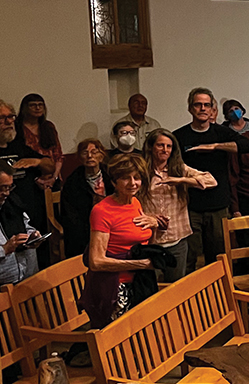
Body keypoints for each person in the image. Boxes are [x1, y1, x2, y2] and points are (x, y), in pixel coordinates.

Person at [173, 87, 249, 272]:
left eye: (206, 105)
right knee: (190, 257)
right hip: (190, 206)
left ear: (212, 109)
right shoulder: (179, 136)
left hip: (218, 205)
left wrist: (215, 147)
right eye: (198, 105)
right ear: (190, 108)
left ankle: (219, 297)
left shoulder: (221, 132)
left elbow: (247, 145)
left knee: (218, 256)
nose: (202, 108)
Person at [82, 154, 161, 328]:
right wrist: (141, 264)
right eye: (126, 177)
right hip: (115, 286)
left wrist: (155, 224)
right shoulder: (102, 210)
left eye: (137, 177)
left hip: (139, 281)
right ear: (114, 182)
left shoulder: (135, 202)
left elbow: (142, 241)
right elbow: (95, 262)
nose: (132, 183)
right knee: (123, 338)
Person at [141, 129, 216, 282]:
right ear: (151, 147)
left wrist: (182, 180)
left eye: (169, 146)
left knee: (175, 286)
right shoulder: (142, 170)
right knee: (150, 287)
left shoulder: (178, 168)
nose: (165, 150)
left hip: (176, 238)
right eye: (160, 145)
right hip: (150, 239)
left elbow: (211, 181)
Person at [0, 100, 53, 248]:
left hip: (29, 214)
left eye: (11, 117)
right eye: (2, 118)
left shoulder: (18, 146)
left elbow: (50, 166)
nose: (9, 122)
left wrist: (37, 162)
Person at [61, 139, 113, 258]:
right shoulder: (72, 182)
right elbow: (70, 216)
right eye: (85, 153)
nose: (90, 156)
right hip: (85, 229)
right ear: (79, 157)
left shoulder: (111, 175)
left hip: (112, 223)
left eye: (94, 152)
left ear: (101, 155)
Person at [0, 164, 42, 285]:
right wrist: (4, 249)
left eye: (9, 187)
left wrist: (32, 236)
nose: (6, 193)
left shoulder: (12, 202)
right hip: (4, 284)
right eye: (2, 188)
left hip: (27, 275)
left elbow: (26, 225)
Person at [19, 94, 63, 190]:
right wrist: (35, 179)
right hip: (29, 178)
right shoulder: (18, 128)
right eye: (33, 105)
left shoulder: (48, 126)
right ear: (25, 108)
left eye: (40, 105)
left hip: (52, 176)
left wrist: (54, 177)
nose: (37, 108)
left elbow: (58, 156)